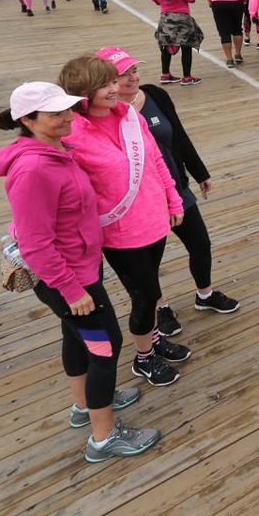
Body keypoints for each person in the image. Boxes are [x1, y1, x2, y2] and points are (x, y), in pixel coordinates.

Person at [0, 82, 159, 462]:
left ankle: (84, 405)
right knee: (105, 347)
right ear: (28, 120)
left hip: (76, 271)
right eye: (55, 114)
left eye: (67, 109)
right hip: (69, 280)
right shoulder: (33, 168)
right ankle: (104, 437)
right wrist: (71, 291)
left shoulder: (56, 150)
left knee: (77, 337)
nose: (68, 117)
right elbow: (35, 244)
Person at [57, 56, 189, 388]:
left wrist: (173, 198)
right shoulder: (71, 134)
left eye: (112, 81)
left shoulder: (129, 115)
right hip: (119, 232)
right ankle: (144, 358)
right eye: (104, 85)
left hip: (154, 218)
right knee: (146, 295)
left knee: (151, 287)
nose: (115, 88)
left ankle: (153, 340)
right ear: (82, 94)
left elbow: (156, 159)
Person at [100, 47, 240, 333]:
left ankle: (205, 294)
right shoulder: (105, 116)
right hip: (140, 201)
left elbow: (178, 134)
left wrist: (199, 172)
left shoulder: (156, 95)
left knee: (200, 244)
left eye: (134, 71)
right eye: (122, 76)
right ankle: (160, 307)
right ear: (107, 82)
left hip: (176, 188)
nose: (131, 79)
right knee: (150, 263)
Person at [150, 0, 203, 86]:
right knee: (186, 47)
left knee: (165, 47)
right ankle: (187, 77)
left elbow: (156, 1)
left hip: (166, 20)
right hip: (182, 20)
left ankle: (165, 74)